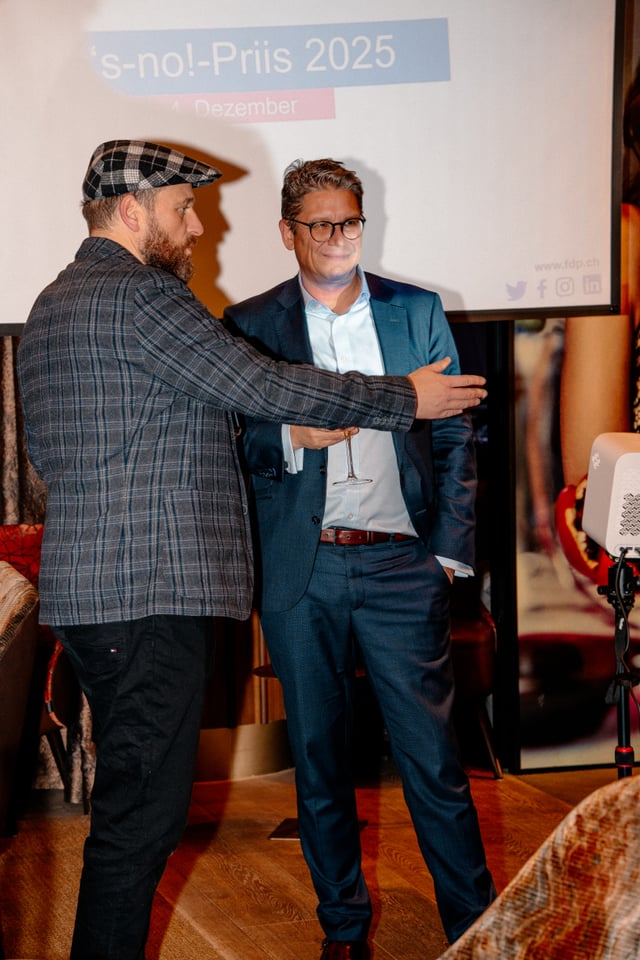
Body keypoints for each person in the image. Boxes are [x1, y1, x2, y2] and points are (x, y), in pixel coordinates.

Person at [16, 140, 487, 960]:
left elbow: (63, 453)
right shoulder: (142, 295)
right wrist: (402, 397)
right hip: (149, 589)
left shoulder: (53, 301)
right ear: (132, 211)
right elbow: (262, 387)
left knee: (133, 813)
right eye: (182, 209)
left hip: (94, 593)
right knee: (140, 823)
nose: (198, 227)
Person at [224, 158, 496, 959]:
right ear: (288, 233)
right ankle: (343, 930)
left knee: (434, 763)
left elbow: (456, 436)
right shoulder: (250, 322)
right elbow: (234, 443)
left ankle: (478, 931)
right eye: (320, 224)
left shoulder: (416, 311)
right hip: (302, 570)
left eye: (350, 221)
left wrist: (446, 556)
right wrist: (290, 437)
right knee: (317, 761)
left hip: (401, 568)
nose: (339, 237)